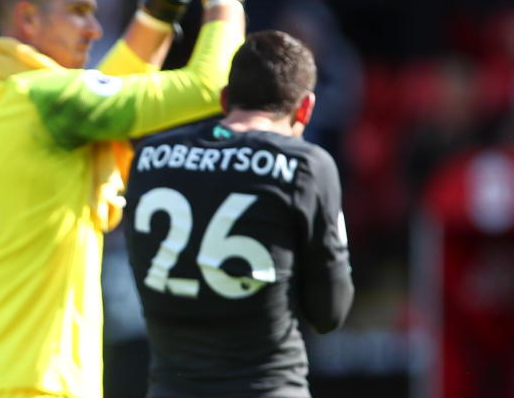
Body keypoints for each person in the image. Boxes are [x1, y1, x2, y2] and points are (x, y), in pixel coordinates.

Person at [0, 0, 258, 398]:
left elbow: (107, 95)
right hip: (37, 382)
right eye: (79, 11)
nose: (95, 29)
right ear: (28, 21)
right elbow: (211, 85)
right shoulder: (50, 101)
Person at [123, 30, 355, 398]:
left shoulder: (149, 157)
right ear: (306, 108)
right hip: (268, 387)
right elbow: (331, 313)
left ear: (225, 99)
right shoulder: (306, 165)